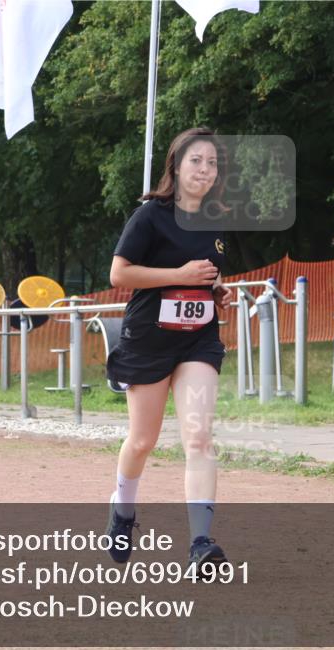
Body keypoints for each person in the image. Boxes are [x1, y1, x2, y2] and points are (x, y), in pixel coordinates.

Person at [105, 127, 234, 570]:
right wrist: (179, 273)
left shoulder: (215, 222)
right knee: (143, 440)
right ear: (176, 166)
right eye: (196, 160)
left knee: (198, 437)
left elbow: (205, 276)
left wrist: (217, 291)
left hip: (198, 339)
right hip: (148, 339)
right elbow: (119, 275)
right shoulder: (150, 216)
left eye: (212, 163)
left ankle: (201, 543)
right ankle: (122, 512)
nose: (204, 170)